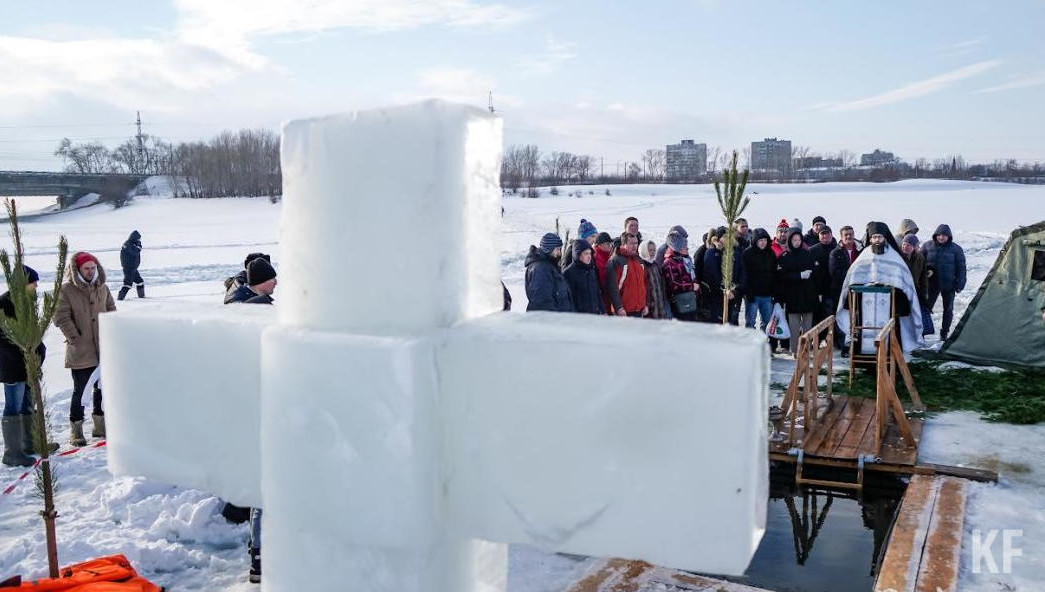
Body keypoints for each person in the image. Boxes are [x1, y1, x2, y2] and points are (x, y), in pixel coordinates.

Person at [235, 265, 276, 584]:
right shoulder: (259, 319)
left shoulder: (254, 313)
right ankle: (260, 555)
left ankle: (260, 554)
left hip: (267, 416)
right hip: (266, 419)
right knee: (265, 492)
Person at [53, 252, 116, 446]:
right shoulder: (66, 290)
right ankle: (77, 428)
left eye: (92, 268)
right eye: (86, 268)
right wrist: (75, 337)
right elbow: (60, 317)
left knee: (102, 389)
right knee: (80, 390)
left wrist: (112, 333)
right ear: (77, 270)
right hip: (81, 350)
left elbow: (111, 310)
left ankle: (100, 424)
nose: (90, 271)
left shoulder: (102, 288)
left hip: (103, 348)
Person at [836, 222, 923, 354]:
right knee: (863, 328)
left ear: (885, 238)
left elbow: (904, 282)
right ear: (870, 239)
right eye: (874, 237)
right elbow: (852, 280)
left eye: (879, 237)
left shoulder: (894, 257)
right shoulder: (863, 256)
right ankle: (863, 355)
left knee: (890, 329)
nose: (877, 240)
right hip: (865, 303)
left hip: (889, 303)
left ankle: (889, 353)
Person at [1, 266, 49, 467]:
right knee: (14, 406)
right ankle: (13, 453)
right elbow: (3, 340)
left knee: (28, 404)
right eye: (33, 283)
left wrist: (38, 354)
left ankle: (30, 445)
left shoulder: (28, 303)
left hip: (29, 365)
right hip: (12, 366)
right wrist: (21, 355)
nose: (36, 286)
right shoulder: (3, 304)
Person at [921, 224, 966, 340]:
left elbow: (961, 268)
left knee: (948, 310)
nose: (941, 237)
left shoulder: (956, 249)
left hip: (949, 284)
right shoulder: (927, 246)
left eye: (944, 236)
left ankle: (944, 333)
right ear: (936, 235)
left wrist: (961, 283)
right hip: (931, 284)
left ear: (949, 236)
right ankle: (922, 332)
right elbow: (919, 264)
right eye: (939, 235)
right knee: (926, 309)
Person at [776, 228, 817, 355]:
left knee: (807, 324)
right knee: (793, 326)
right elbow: (782, 276)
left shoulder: (807, 254)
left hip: (807, 295)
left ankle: (806, 349)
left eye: (799, 239)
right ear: (790, 240)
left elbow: (815, 272)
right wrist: (799, 275)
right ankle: (794, 350)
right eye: (794, 240)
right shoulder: (784, 257)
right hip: (792, 296)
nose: (797, 242)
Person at [829, 226, 861, 352]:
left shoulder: (859, 251)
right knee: (842, 319)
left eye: (850, 234)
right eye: (846, 235)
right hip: (841, 292)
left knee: (857, 319)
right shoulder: (835, 253)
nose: (849, 237)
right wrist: (852, 274)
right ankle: (844, 347)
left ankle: (857, 346)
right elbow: (834, 272)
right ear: (841, 237)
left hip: (858, 292)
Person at [524, 233, 572, 312]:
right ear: (548, 249)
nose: (560, 252)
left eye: (560, 249)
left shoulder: (550, 265)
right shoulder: (540, 269)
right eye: (557, 249)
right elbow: (542, 301)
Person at [605, 232, 648, 317]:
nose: (634, 246)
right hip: (623, 312)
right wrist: (618, 307)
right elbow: (612, 287)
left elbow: (644, 285)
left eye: (636, 243)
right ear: (624, 244)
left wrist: (644, 304)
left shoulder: (640, 261)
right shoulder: (615, 261)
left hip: (639, 310)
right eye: (631, 243)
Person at [662, 229, 700, 321]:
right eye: (684, 246)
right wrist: (691, 286)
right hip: (680, 301)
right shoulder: (669, 262)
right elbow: (673, 284)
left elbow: (691, 275)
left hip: (690, 299)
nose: (687, 248)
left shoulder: (684, 260)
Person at [742, 228, 776, 331]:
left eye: (765, 240)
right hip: (752, 295)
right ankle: (750, 345)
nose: (763, 243)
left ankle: (763, 344)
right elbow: (745, 274)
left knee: (766, 323)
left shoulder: (770, 253)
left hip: (767, 295)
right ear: (755, 241)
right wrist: (748, 292)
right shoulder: (748, 253)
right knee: (750, 322)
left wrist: (774, 292)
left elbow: (774, 274)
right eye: (760, 240)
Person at [808, 225, 838, 327]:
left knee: (832, 318)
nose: (825, 236)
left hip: (833, 291)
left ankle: (832, 341)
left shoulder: (837, 249)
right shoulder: (812, 251)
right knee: (817, 319)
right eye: (822, 234)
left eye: (827, 233)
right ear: (819, 235)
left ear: (831, 234)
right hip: (817, 291)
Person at [563, 241, 603, 314]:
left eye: (590, 253)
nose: (589, 256)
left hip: (595, 315)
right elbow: (568, 299)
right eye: (586, 254)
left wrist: (603, 310)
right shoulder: (569, 273)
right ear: (578, 255)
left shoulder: (591, 269)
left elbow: (597, 292)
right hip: (580, 317)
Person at [901, 234, 929, 315]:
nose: (905, 247)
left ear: (914, 247)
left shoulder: (920, 257)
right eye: (904, 244)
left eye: (908, 245)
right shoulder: (898, 256)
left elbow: (923, 277)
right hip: (901, 290)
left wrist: (925, 293)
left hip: (915, 290)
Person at [640, 239, 668, 319]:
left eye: (654, 250)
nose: (652, 252)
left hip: (659, 304)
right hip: (648, 307)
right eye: (650, 250)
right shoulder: (641, 265)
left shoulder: (655, 265)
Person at [117, 230, 144, 300]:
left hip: (133, 268)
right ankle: (120, 299)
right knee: (127, 284)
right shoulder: (128, 244)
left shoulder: (132, 244)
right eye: (138, 239)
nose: (139, 240)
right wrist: (139, 245)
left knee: (140, 282)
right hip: (129, 268)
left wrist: (138, 245)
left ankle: (142, 297)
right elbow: (135, 252)